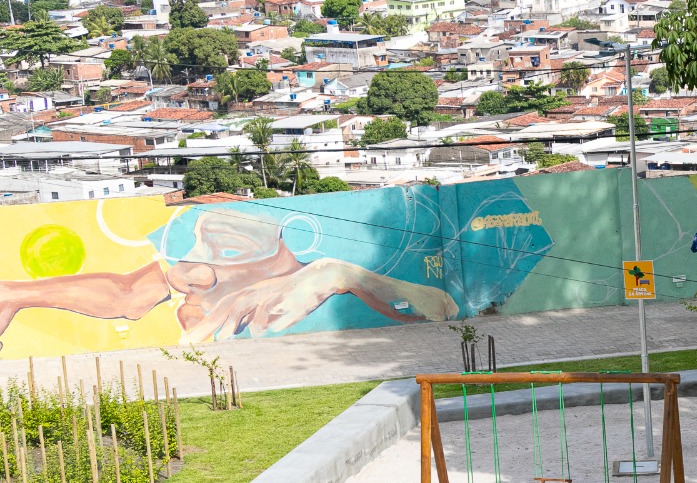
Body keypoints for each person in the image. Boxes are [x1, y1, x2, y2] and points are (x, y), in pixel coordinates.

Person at [0, 208, 459, 344]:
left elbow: (188, 320)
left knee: (138, 295)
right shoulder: (214, 253)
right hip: (257, 269)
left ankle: (12, 294)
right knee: (136, 294)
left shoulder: (316, 274)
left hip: (279, 276)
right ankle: (12, 294)